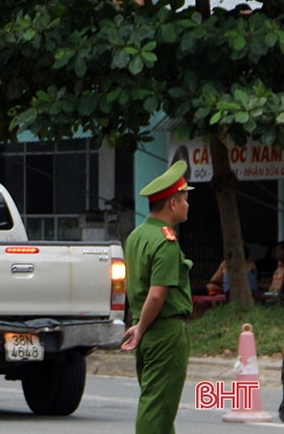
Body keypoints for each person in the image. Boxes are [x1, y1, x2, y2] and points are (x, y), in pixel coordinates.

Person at [122, 160, 194, 434]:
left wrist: (141, 327)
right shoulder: (165, 242)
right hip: (163, 332)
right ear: (173, 204)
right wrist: (140, 329)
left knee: (159, 409)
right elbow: (157, 294)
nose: (188, 205)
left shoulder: (136, 236)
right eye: (185, 199)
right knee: (156, 413)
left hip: (147, 330)